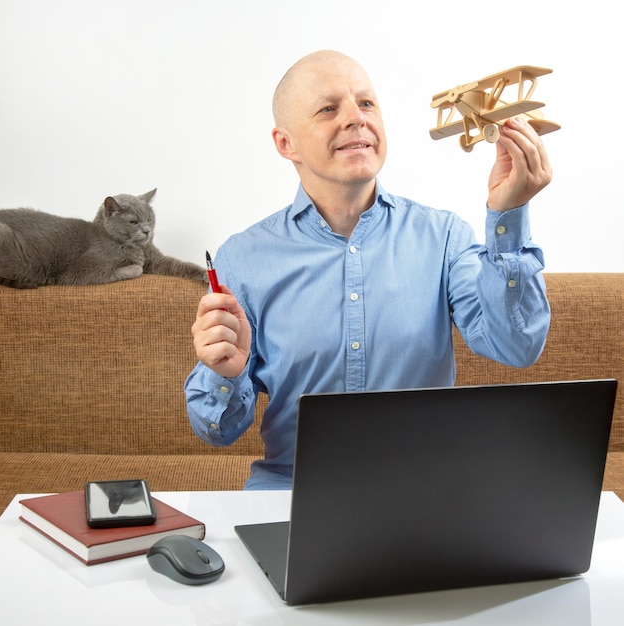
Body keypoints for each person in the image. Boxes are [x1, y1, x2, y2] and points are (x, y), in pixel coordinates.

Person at [184, 50, 552, 489]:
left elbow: (517, 347)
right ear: (286, 144)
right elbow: (216, 432)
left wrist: (508, 215)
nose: (356, 119)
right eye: (328, 108)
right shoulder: (242, 260)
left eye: (366, 103)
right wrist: (226, 373)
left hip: (423, 499)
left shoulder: (445, 237)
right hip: (293, 496)